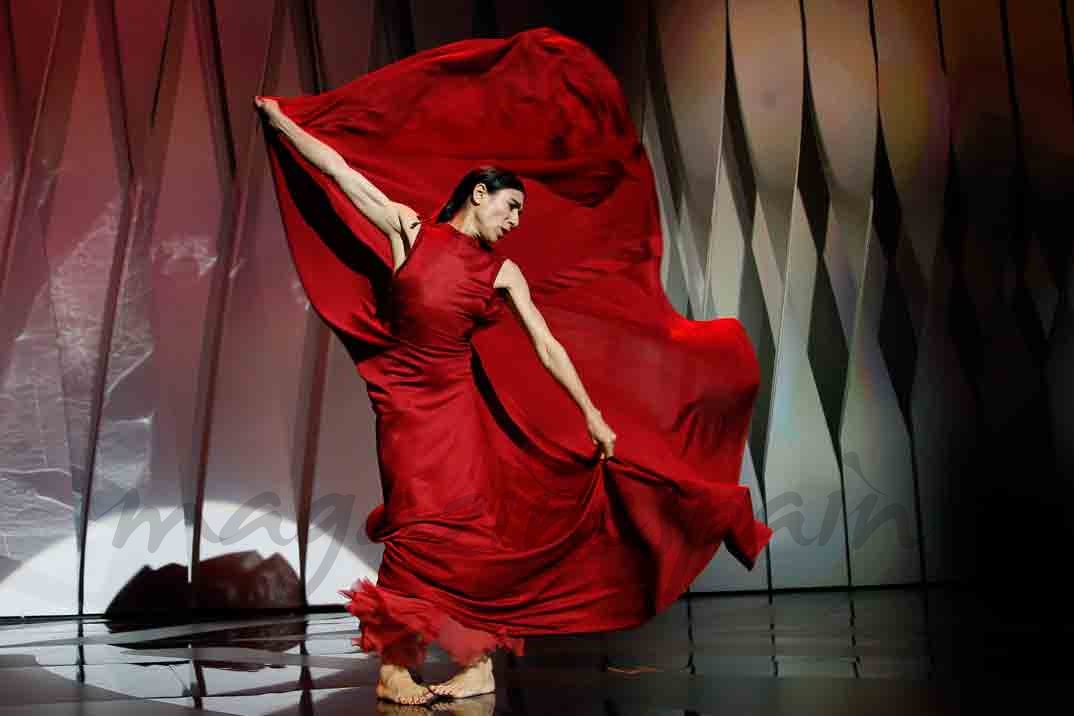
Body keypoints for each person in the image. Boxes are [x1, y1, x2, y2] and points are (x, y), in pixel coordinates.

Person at [255, 95, 617, 704]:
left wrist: (593, 414)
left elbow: (548, 347)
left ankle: (472, 664)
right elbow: (338, 173)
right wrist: (283, 123)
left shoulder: (503, 272)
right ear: (480, 192)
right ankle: (398, 664)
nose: (516, 220)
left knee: (466, 536)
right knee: (417, 530)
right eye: (512, 206)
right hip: (405, 407)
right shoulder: (409, 228)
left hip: (457, 411)